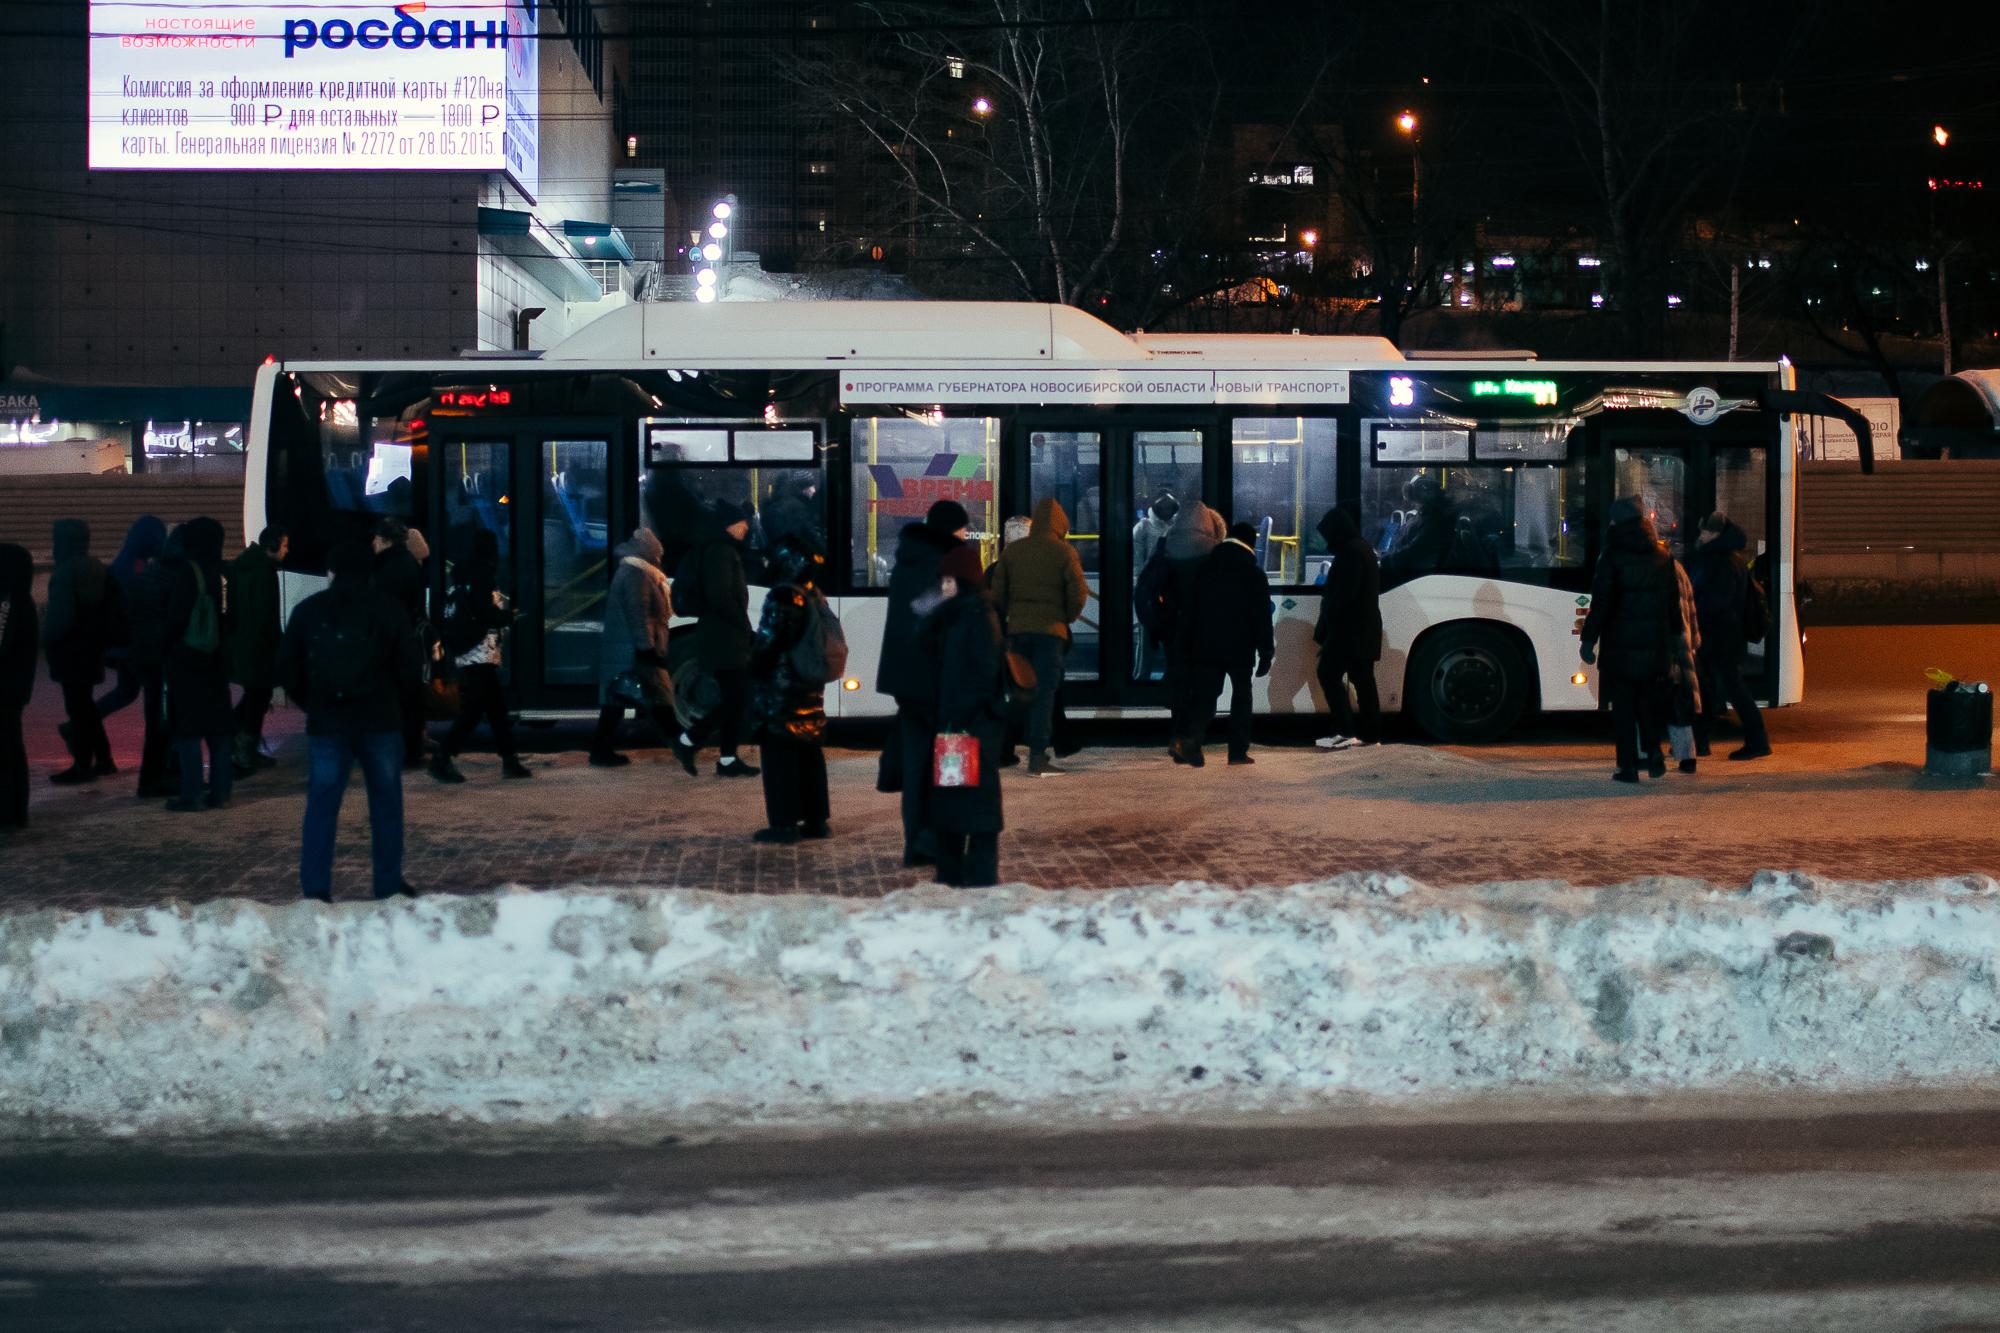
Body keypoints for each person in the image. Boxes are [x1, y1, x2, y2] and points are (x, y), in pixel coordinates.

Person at [277, 538, 422, 902]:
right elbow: (408, 669)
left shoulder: (309, 610)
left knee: (322, 804)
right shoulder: (389, 609)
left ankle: (316, 886)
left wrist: (311, 703)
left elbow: (287, 667)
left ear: (332, 570)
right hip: (380, 719)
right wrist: (400, 708)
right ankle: (387, 882)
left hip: (328, 721)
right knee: (386, 804)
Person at [877, 500, 968, 866]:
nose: (965, 536)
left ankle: (918, 841)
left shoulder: (909, 561)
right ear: (951, 531)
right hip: (941, 680)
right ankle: (943, 840)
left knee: (918, 763)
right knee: (952, 760)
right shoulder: (945, 568)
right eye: (962, 529)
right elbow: (947, 622)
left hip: (909, 679)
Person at [910, 541, 1007, 887]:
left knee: (973, 807)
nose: (943, 586)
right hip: (957, 729)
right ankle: (953, 876)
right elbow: (920, 635)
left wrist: (958, 722)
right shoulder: (958, 614)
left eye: (948, 581)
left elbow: (982, 676)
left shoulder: (978, 616)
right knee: (952, 804)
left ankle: (979, 880)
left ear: (963, 581)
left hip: (970, 731)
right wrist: (937, 605)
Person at [1579, 496, 1677, 784]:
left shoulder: (1611, 556)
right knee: (1648, 704)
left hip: (1620, 648)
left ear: (1617, 522)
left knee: (1623, 709)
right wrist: (1674, 642)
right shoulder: (1662, 555)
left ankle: (1628, 768)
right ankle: (1654, 753)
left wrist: (1588, 641)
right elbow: (1673, 604)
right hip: (1655, 647)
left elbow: (1602, 603)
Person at [988, 498, 1088, 776]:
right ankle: (1037, 755)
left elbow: (998, 594)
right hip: (1049, 635)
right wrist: (1063, 618)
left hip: (1017, 633)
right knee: (1044, 694)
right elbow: (1078, 594)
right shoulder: (1064, 552)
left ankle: (999, 747)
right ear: (1059, 525)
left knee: (1021, 693)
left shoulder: (1013, 552)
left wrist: (1015, 616)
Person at [747, 537, 832, 844]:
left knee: (779, 756)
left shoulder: (783, 596)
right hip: (809, 687)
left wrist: (752, 666)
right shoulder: (812, 594)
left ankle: (783, 824)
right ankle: (816, 821)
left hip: (782, 691)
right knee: (809, 752)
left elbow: (768, 644)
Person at [431, 528, 529, 783]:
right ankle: (443, 755)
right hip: (480, 649)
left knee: (495, 707)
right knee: (476, 708)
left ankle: (510, 759)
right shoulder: (483, 572)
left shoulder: (461, 571)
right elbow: (484, 612)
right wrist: (509, 616)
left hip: (467, 647)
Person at [673, 501, 759, 778]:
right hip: (724, 635)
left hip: (723, 633)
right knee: (737, 698)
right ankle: (688, 741)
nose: (746, 527)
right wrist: (741, 624)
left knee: (736, 698)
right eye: (741, 522)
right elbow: (721, 596)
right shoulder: (720, 552)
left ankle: (727, 759)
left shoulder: (719, 549)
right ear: (729, 525)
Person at [1179, 522, 1275, 767]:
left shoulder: (1204, 568)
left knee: (1205, 698)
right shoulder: (1253, 574)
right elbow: (1261, 617)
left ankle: (1192, 744)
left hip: (1206, 646)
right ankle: (1237, 753)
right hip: (1240, 649)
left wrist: (1186, 646)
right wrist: (1266, 652)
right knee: (1242, 699)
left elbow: (1190, 611)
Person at [162, 518, 235, 812]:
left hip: (189, 661)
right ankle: (221, 792)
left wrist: (168, 646)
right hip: (218, 660)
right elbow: (232, 616)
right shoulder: (225, 572)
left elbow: (177, 618)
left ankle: (191, 794)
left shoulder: (189, 572)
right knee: (219, 730)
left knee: (189, 730)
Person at [1688, 512, 1772, 761]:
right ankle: (1700, 742)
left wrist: (1695, 619)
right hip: (1722, 636)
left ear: (1716, 535)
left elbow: (1714, 603)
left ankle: (1757, 741)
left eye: (1706, 532)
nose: (1701, 535)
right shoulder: (1726, 558)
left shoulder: (1719, 560)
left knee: (1731, 690)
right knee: (1709, 688)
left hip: (1719, 637)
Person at [591, 528, 676, 768]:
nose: (659, 561)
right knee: (658, 697)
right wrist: (646, 647)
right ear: (648, 554)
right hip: (633, 650)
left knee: (619, 701)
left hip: (628, 649)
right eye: (657, 556)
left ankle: (600, 749)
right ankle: (683, 743)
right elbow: (639, 614)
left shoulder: (634, 572)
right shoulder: (636, 574)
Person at [43, 519, 118, 785]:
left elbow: (59, 619)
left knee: (77, 707)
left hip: (71, 650)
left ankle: (83, 763)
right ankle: (104, 759)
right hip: (92, 647)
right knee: (86, 707)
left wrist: (45, 639)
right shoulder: (96, 568)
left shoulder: (66, 572)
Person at [1159, 500, 1226, 759]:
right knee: (1208, 687)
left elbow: (1148, 586)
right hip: (1207, 630)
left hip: (1175, 629)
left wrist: (1157, 623)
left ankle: (1178, 736)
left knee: (1180, 684)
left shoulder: (1165, 547)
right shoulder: (1216, 552)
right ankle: (1192, 739)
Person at [1312, 506, 1383, 750]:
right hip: (1361, 629)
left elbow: (1342, 595)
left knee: (1328, 674)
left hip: (1348, 631)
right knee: (1363, 681)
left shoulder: (1350, 553)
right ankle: (1371, 736)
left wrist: (1328, 620)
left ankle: (1345, 732)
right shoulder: (1361, 549)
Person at [90, 516, 165, 730]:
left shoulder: (123, 562)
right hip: (138, 645)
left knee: (127, 692)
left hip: (124, 644)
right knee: (152, 696)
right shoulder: (137, 566)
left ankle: (78, 726)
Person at [124, 524, 181, 798]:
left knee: (154, 719)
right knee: (165, 721)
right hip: (164, 658)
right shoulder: (174, 579)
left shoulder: (148, 572)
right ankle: (159, 778)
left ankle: (151, 778)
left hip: (145, 656)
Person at [373, 517, 431, 769]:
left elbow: (385, 610)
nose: (372, 543)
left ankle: (406, 751)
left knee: (398, 700)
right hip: (406, 642)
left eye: (376, 538)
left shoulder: (389, 569)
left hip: (395, 644)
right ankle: (412, 747)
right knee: (408, 699)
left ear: (385, 540)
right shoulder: (408, 563)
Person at [228, 525, 287, 773]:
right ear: (271, 547)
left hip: (245, 643)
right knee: (258, 696)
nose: (287, 550)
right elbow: (266, 617)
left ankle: (241, 741)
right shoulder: (264, 572)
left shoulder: (244, 566)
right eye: (284, 545)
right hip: (259, 647)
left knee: (255, 695)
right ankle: (243, 747)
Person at [0, 544, 37, 831]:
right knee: (12, 746)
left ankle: (10, 810)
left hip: (5, 688)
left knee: (8, 748)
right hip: (15, 687)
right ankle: (15, 809)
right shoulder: (24, 602)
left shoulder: (9, 604)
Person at [1130, 495, 1178, 679]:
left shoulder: (1171, 526)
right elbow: (1136, 561)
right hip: (1150, 588)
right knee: (1147, 636)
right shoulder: (1143, 527)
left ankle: (1147, 675)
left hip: (1162, 588)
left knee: (1155, 636)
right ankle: (1142, 675)